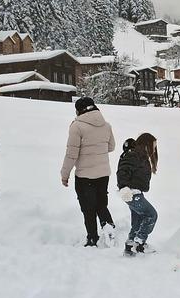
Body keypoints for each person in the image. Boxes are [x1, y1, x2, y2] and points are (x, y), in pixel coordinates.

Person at [61, 97, 116, 247]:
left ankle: (92, 238)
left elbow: (72, 154)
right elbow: (111, 147)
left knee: (88, 208)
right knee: (101, 205)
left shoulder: (76, 126)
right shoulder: (106, 125)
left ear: (79, 110)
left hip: (85, 176)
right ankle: (110, 230)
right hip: (104, 173)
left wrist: (64, 175)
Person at [117, 133, 159, 256]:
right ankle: (139, 243)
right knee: (151, 215)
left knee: (138, 220)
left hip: (135, 193)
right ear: (146, 144)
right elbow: (123, 170)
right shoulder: (134, 154)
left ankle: (130, 246)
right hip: (131, 193)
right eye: (153, 146)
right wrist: (124, 188)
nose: (154, 149)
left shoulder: (140, 155)